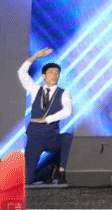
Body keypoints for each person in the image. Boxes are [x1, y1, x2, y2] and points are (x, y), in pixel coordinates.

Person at [18, 48, 73, 184]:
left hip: (51, 137)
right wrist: (35, 56)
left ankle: (61, 170)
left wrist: (47, 119)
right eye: (51, 73)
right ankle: (48, 171)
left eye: (56, 73)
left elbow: (67, 111)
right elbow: (22, 73)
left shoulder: (64, 93)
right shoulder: (35, 89)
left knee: (68, 138)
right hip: (34, 138)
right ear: (43, 75)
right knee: (27, 180)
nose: (54, 76)